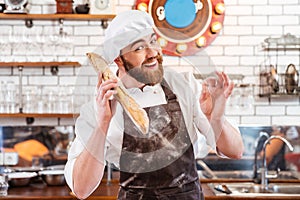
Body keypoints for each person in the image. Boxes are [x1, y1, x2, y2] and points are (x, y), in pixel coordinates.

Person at [64, 10, 244, 200]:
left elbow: (235, 151)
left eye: (153, 41)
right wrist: (103, 123)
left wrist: (215, 118)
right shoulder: (101, 105)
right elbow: (81, 189)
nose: (153, 53)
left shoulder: (184, 85)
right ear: (118, 59)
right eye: (139, 48)